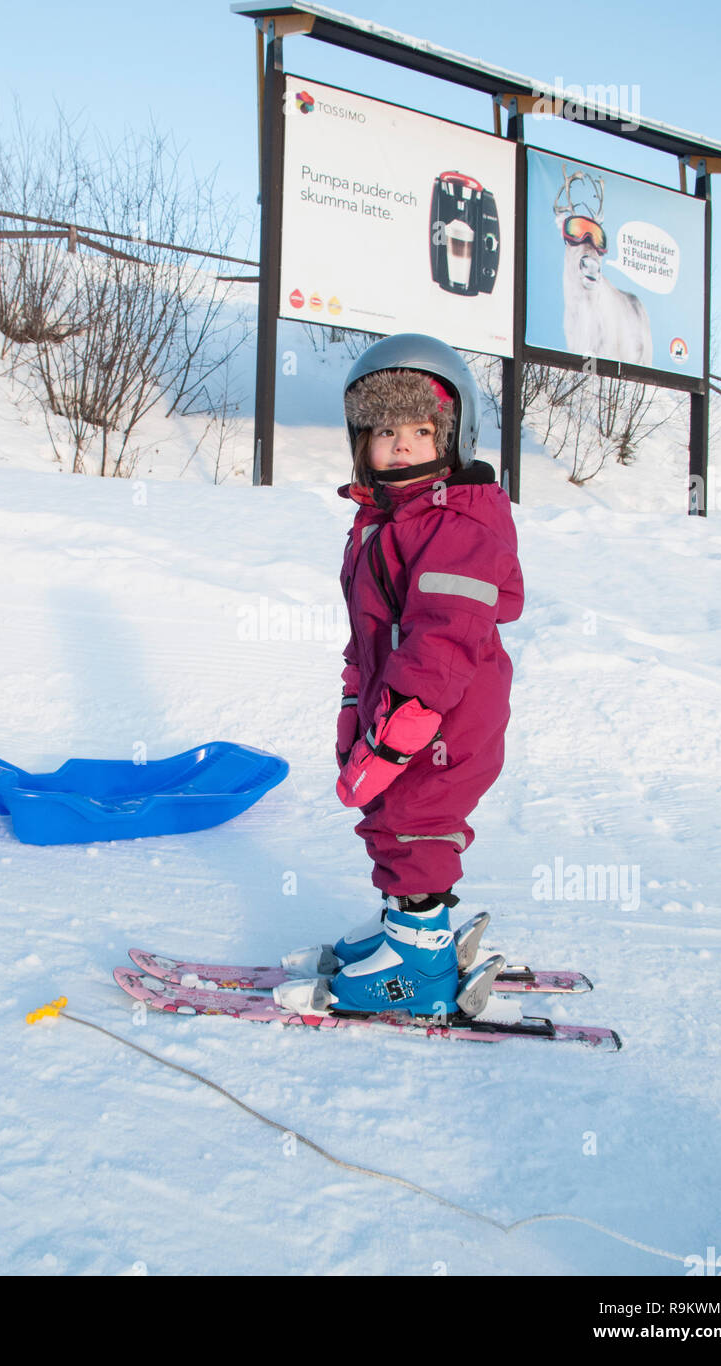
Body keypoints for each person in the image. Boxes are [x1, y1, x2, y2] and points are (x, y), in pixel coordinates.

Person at [275, 334, 524, 1021]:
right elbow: (369, 640)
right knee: (395, 818)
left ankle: (418, 969)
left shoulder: (459, 523)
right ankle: (411, 928)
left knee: (415, 822)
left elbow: (443, 640)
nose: (403, 445)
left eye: (421, 429)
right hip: (406, 708)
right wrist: (356, 711)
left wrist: (395, 737)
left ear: (452, 435)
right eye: (386, 429)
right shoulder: (381, 522)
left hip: (446, 713)